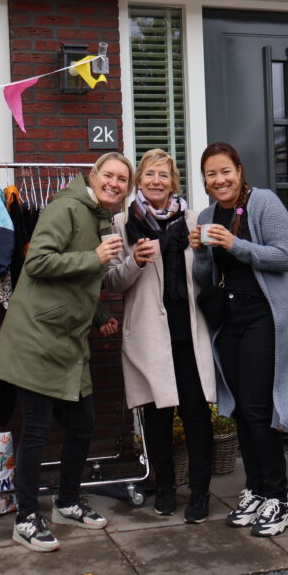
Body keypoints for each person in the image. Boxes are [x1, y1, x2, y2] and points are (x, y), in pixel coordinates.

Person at [0, 152, 133, 552]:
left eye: (122, 179)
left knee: (82, 424)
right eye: (109, 175)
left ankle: (67, 502)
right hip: (36, 338)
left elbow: (78, 282)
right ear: (94, 175)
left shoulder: (99, 216)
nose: (114, 183)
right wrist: (94, 257)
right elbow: (37, 262)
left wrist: (99, 315)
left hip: (68, 340)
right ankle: (25, 519)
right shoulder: (65, 207)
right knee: (36, 430)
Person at [190, 142, 288, 537]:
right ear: (204, 180)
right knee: (238, 408)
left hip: (262, 317)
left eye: (226, 171)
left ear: (239, 170)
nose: (219, 179)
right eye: (211, 174)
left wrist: (233, 244)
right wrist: (200, 252)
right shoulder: (207, 215)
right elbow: (204, 276)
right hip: (228, 321)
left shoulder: (264, 202)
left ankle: (280, 497)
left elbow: (284, 257)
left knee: (258, 408)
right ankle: (256, 489)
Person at [104, 149, 217, 523]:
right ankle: (165, 487)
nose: (156, 181)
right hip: (150, 334)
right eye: (150, 174)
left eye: (163, 175)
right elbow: (111, 281)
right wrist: (136, 260)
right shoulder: (122, 224)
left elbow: (209, 273)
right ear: (139, 181)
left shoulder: (194, 221)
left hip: (189, 331)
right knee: (157, 415)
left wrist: (203, 253)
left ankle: (199, 491)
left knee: (196, 413)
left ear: (173, 183)